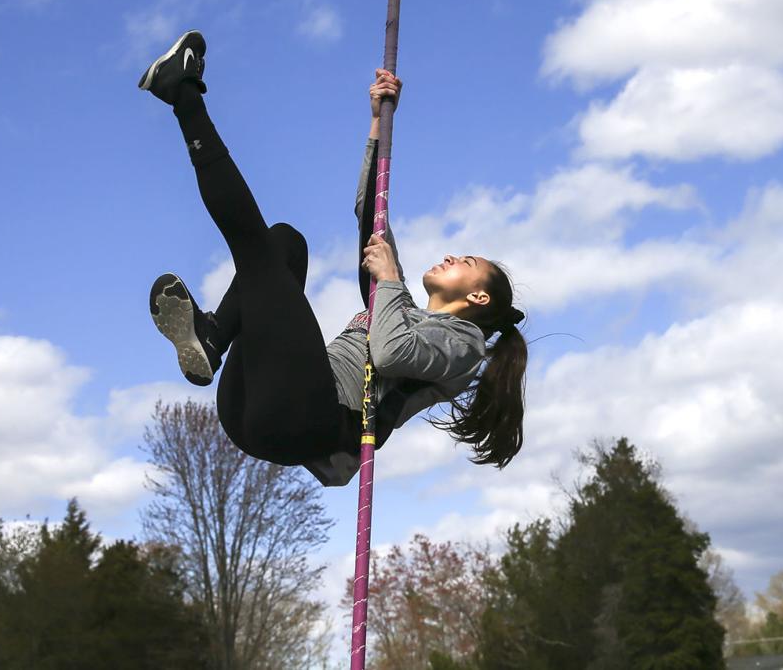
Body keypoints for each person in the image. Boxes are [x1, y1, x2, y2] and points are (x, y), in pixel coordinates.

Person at [140, 30, 528, 487]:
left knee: (258, 253)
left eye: (465, 260)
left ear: (479, 297)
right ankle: (212, 339)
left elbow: (389, 351)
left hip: (310, 420)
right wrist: (378, 122)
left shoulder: (464, 346)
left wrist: (387, 281)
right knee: (284, 244)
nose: (449, 256)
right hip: (251, 410)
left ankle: (182, 94)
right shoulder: (396, 303)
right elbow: (371, 209)